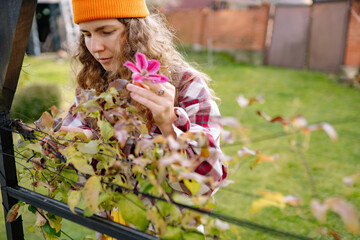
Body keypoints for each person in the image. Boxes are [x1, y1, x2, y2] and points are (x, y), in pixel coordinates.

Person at [61, 0, 227, 237]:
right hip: (110, 227)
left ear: (135, 30)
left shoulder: (185, 85)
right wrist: (83, 145)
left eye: (106, 32)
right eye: (86, 34)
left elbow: (205, 183)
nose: (94, 47)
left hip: (170, 229)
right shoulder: (92, 85)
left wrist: (168, 124)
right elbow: (76, 178)